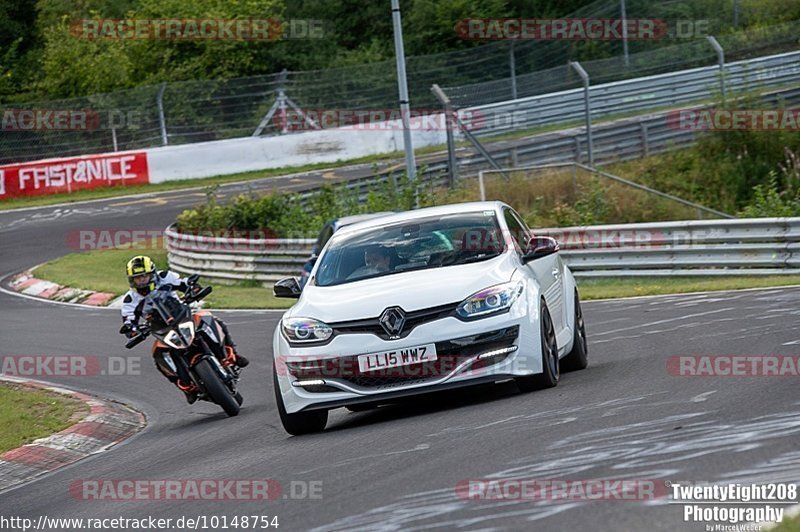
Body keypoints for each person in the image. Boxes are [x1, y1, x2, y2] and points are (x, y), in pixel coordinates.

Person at [119, 255, 249, 404]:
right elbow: (128, 319)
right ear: (132, 280)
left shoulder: (165, 277)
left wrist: (193, 288)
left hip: (182, 316)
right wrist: (132, 330)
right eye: (137, 278)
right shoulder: (130, 299)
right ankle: (186, 387)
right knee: (158, 353)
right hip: (162, 329)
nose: (142, 280)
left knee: (207, 317)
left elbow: (184, 283)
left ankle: (232, 355)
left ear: (152, 273)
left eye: (144, 276)